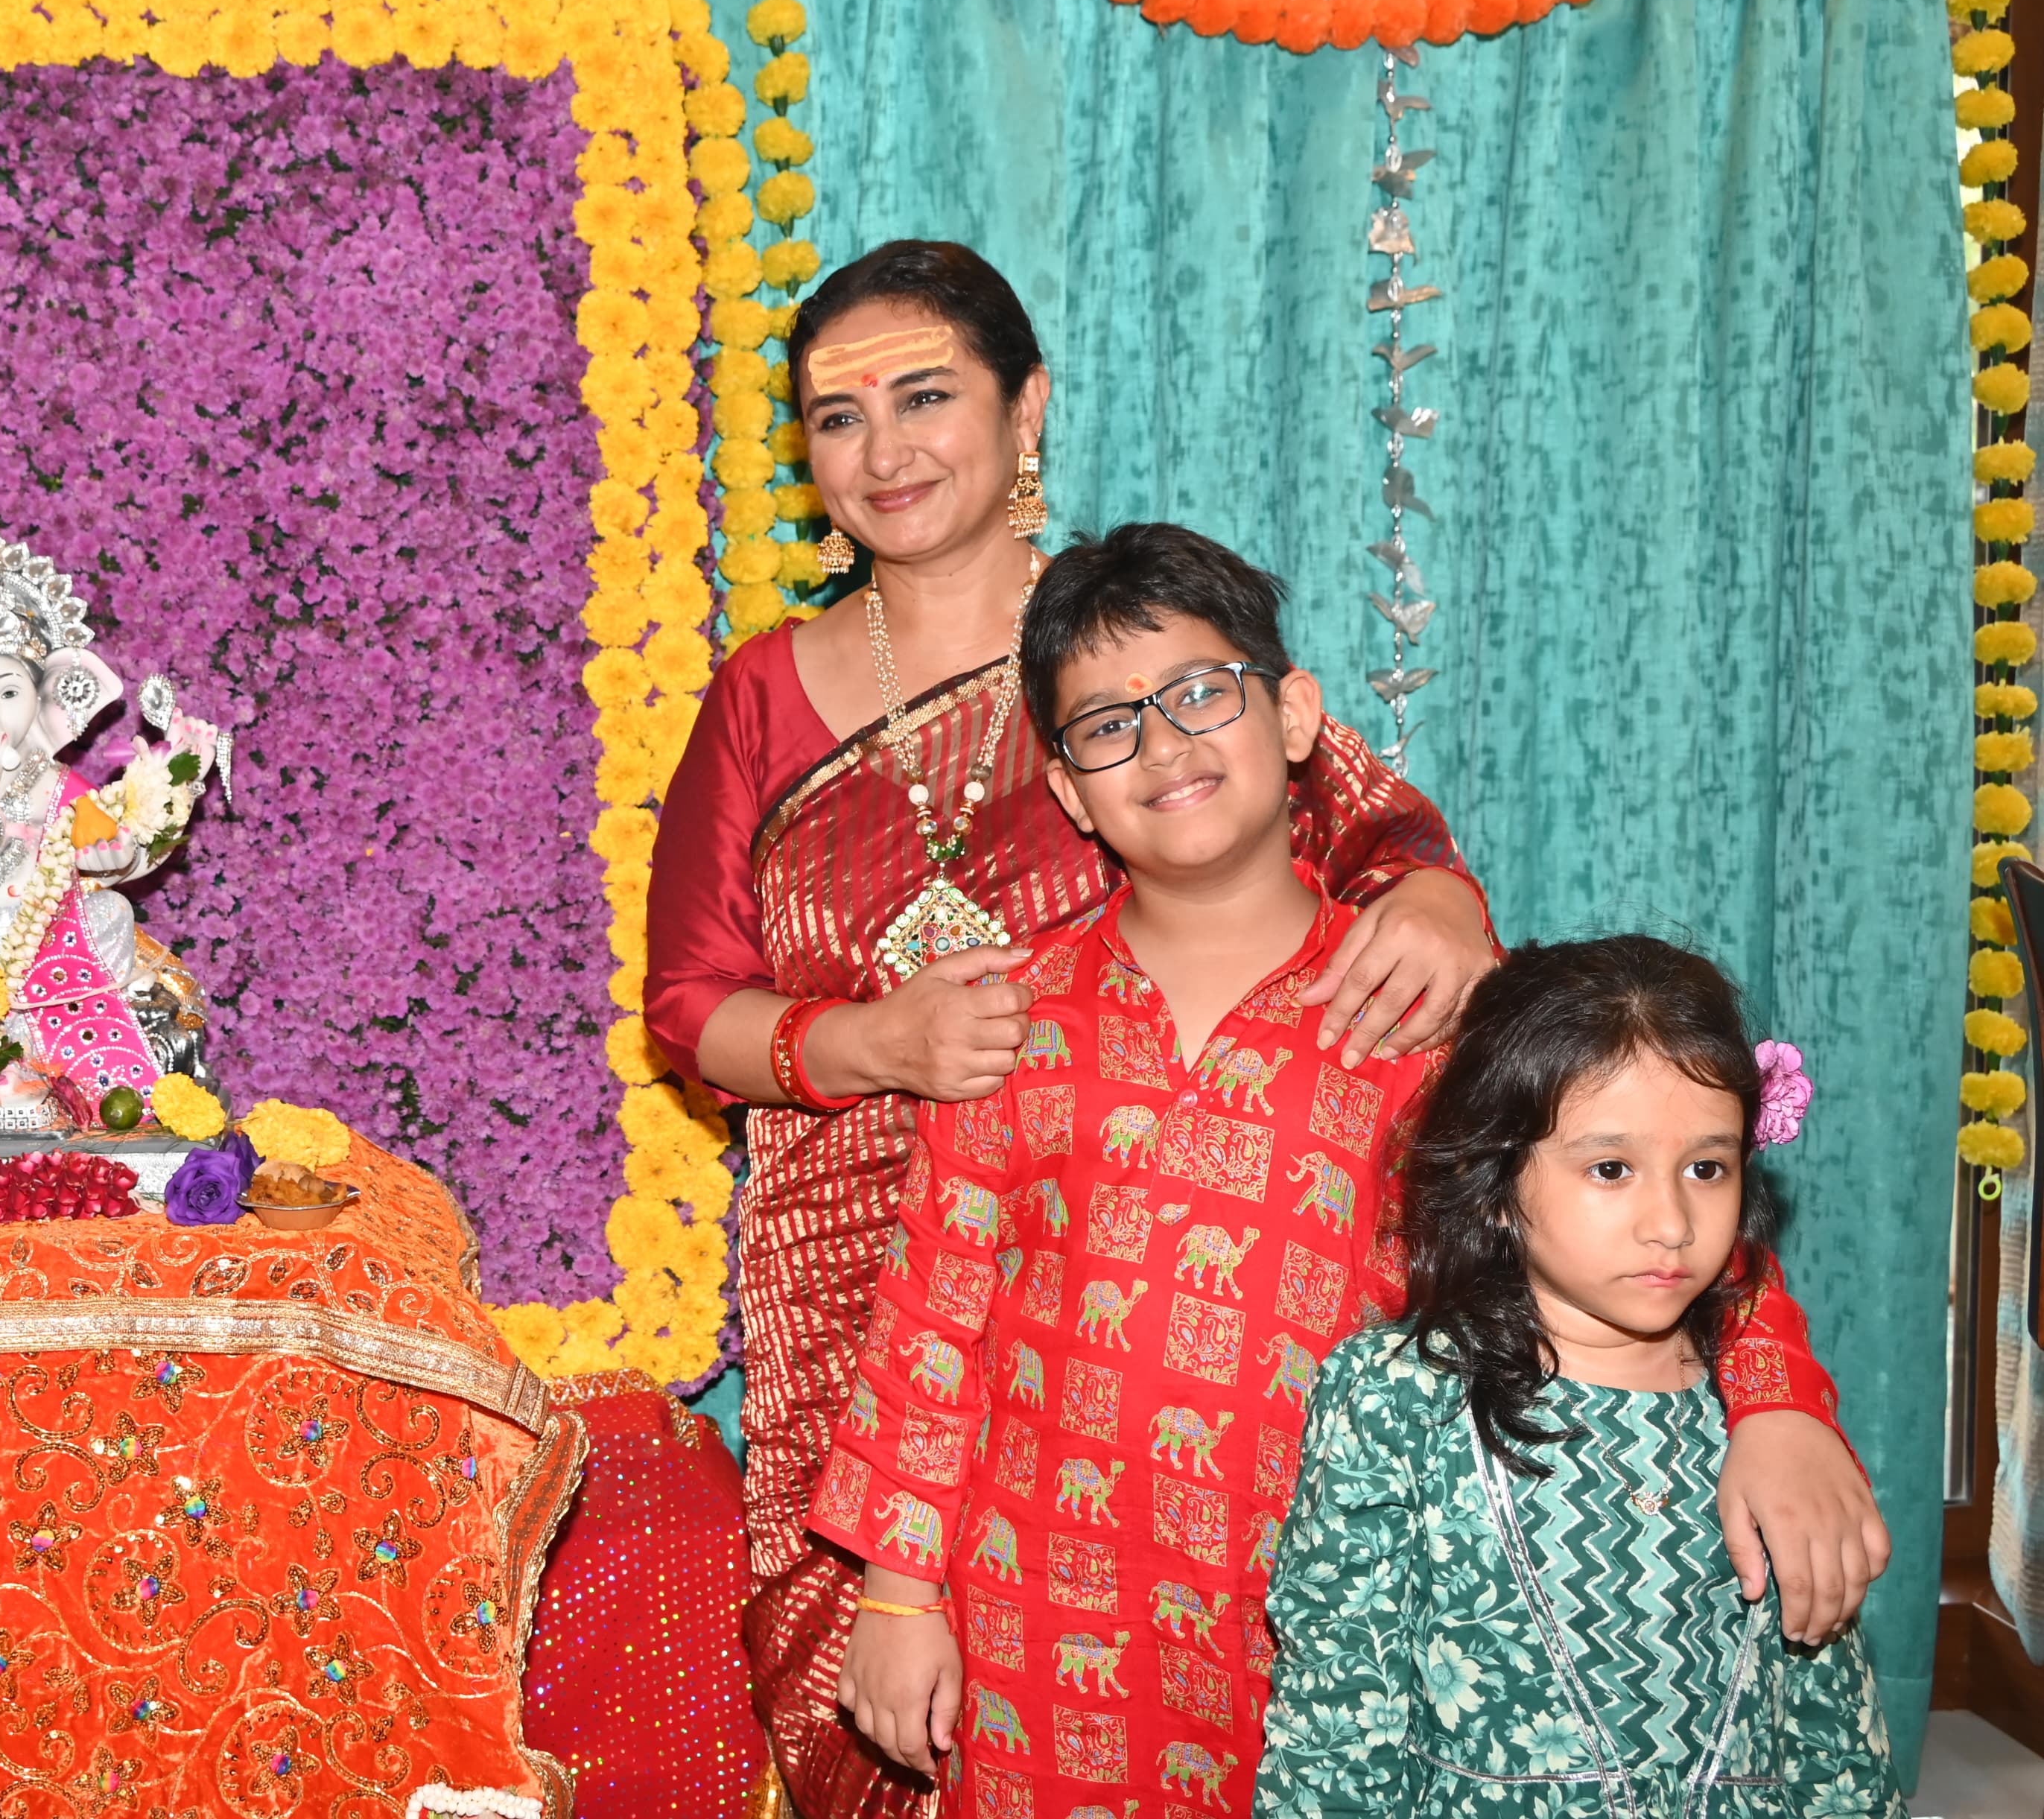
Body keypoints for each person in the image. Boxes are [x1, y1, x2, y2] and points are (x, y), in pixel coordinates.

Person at [802, 526, 1873, 1819]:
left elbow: (1656, 1207)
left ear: (1295, 711)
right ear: (1071, 790)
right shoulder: (1005, 1019)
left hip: (1352, 1626)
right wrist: (904, 1591)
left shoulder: (1424, 1006)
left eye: (1201, 692)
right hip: (1043, 1623)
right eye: (1107, 725)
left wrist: (1779, 1405)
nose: (1164, 743)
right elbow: (934, 1317)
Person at [649, 239, 1490, 1816]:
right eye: (836, 418)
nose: (883, 450)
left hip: (1145, 1237)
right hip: (854, 1257)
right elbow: (690, 1002)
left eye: (925, 395)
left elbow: (1361, 823)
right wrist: (875, 1044)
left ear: (1025, 406)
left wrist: (1437, 893)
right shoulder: (760, 692)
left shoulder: (1131, 654)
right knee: (865, 1674)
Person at [1252, 938, 1904, 1818]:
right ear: (1490, 1180)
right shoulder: (1392, 1397)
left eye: (1705, 1167)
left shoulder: (1763, 1413)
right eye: (1610, 1168)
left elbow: (1831, 1727)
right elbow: (1335, 1727)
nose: (1669, 1221)